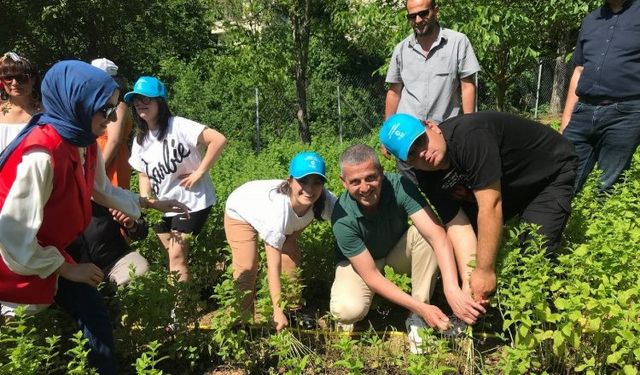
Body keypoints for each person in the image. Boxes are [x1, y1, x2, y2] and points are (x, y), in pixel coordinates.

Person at [0, 60, 188, 374]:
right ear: (78, 105)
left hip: (50, 251)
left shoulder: (81, 142)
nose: (114, 118)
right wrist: (65, 270)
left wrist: (151, 203)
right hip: (16, 260)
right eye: (105, 110)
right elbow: (11, 234)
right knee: (17, 338)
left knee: (94, 313)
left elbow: (100, 189)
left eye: (114, 108)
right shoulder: (42, 155)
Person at [379, 112, 578, 305]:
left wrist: (484, 271)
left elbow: (490, 205)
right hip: (503, 186)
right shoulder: (426, 175)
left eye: (420, 141)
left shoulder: (469, 137)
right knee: (469, 254)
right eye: (411, 155)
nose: (422, 153)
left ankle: (545, 312)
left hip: (547, 174)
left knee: (534, 252)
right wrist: (470, 281)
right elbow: (458, 224)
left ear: (432, 127)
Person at [330, 145, 485, 353]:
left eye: (370, 178)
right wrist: (420, 306)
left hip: (395, 253)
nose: (365, 187)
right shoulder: (342, 218)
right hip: (360, 266)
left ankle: (418, 318)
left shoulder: (399, 186)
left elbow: (438, 235)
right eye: (355, 182)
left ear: (381, 174)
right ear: (343, 182)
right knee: (346, 311)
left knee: (426, 235)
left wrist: (452, 289)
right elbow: (372, 275)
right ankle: (417, 308)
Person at [126, 76, 227, 282]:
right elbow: (143, 172)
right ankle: (196, 286)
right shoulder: (140, 139)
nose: (139, 103)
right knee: (171, 256)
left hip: (191, 202)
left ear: (159, 102)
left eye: (146, 99)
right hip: (163, 205)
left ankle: (180, 312)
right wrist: (147, 198)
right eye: (136, 99)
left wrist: (199, 172)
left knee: (176, 255)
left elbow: (218, 139)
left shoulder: (178, 125)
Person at [224, 152, 337, 331]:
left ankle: (292, 310)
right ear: (290, 181)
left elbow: (348, 218)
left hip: (286, 221)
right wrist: (276, 311)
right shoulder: (277, 210)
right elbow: (273, 266)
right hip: (242, 211)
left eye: (317, 182)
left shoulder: (324, 199)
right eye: (303, 181)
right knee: (248, 265)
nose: (310, 189)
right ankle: (240, 321)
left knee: (290, 253)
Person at [385, 0, 480, 184]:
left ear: (436, 11)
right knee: (413, 198)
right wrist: (388, 132)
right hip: (407, 138)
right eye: (412, 16)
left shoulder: (458, 42)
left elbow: (467, 85)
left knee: (452, 192)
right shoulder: (401, 49)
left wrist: (470, 128)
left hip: (443, 137)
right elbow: (394, 92)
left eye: (423, 14)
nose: (418, 20)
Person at [560, 0, 640, 194]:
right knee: (562, 178)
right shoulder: (591, 20)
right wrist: (566, 119)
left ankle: (602, 223)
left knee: (607, 186)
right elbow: (579, 69)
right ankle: (562, 223)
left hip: (625, 114)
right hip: (583, 111)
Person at [67, 201, 150, 286]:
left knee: (138, 272)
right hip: (75, 272)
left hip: (117, 260)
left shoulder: (101, 196)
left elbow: (142, 231)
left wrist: (132, 225)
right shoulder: (55, 212)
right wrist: (68, 269)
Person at [91, 58, 134, 189]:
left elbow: (114, 141)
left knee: (111, 205)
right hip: (98, 159)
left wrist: (96, 173)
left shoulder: (119, 106)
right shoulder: (99, 104)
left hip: (111, 162)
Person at [0, 52, 40, 150]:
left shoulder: (47, 111)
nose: (15, 83)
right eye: (8, 78)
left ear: (33, 79)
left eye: (21, 78)